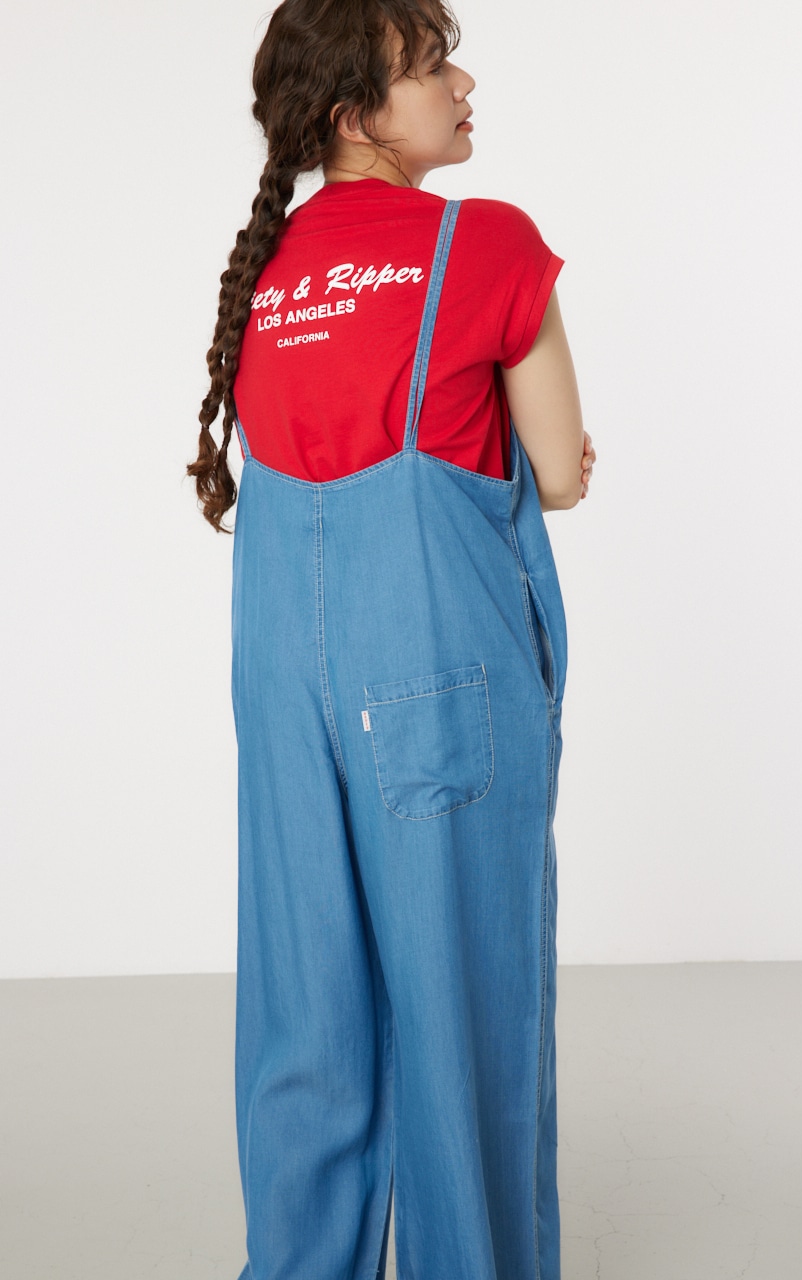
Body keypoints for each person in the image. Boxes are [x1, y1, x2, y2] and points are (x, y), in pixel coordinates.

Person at [187, 1, 595, 1277]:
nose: (463, 83)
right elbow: (558, 471)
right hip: (433, 678)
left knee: (306, 1013)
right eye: (431, 65)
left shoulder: (267, 272)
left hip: (282, 689)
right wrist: (553, 453)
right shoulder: (485, 243)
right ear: (356, 114)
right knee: (460, 1005)